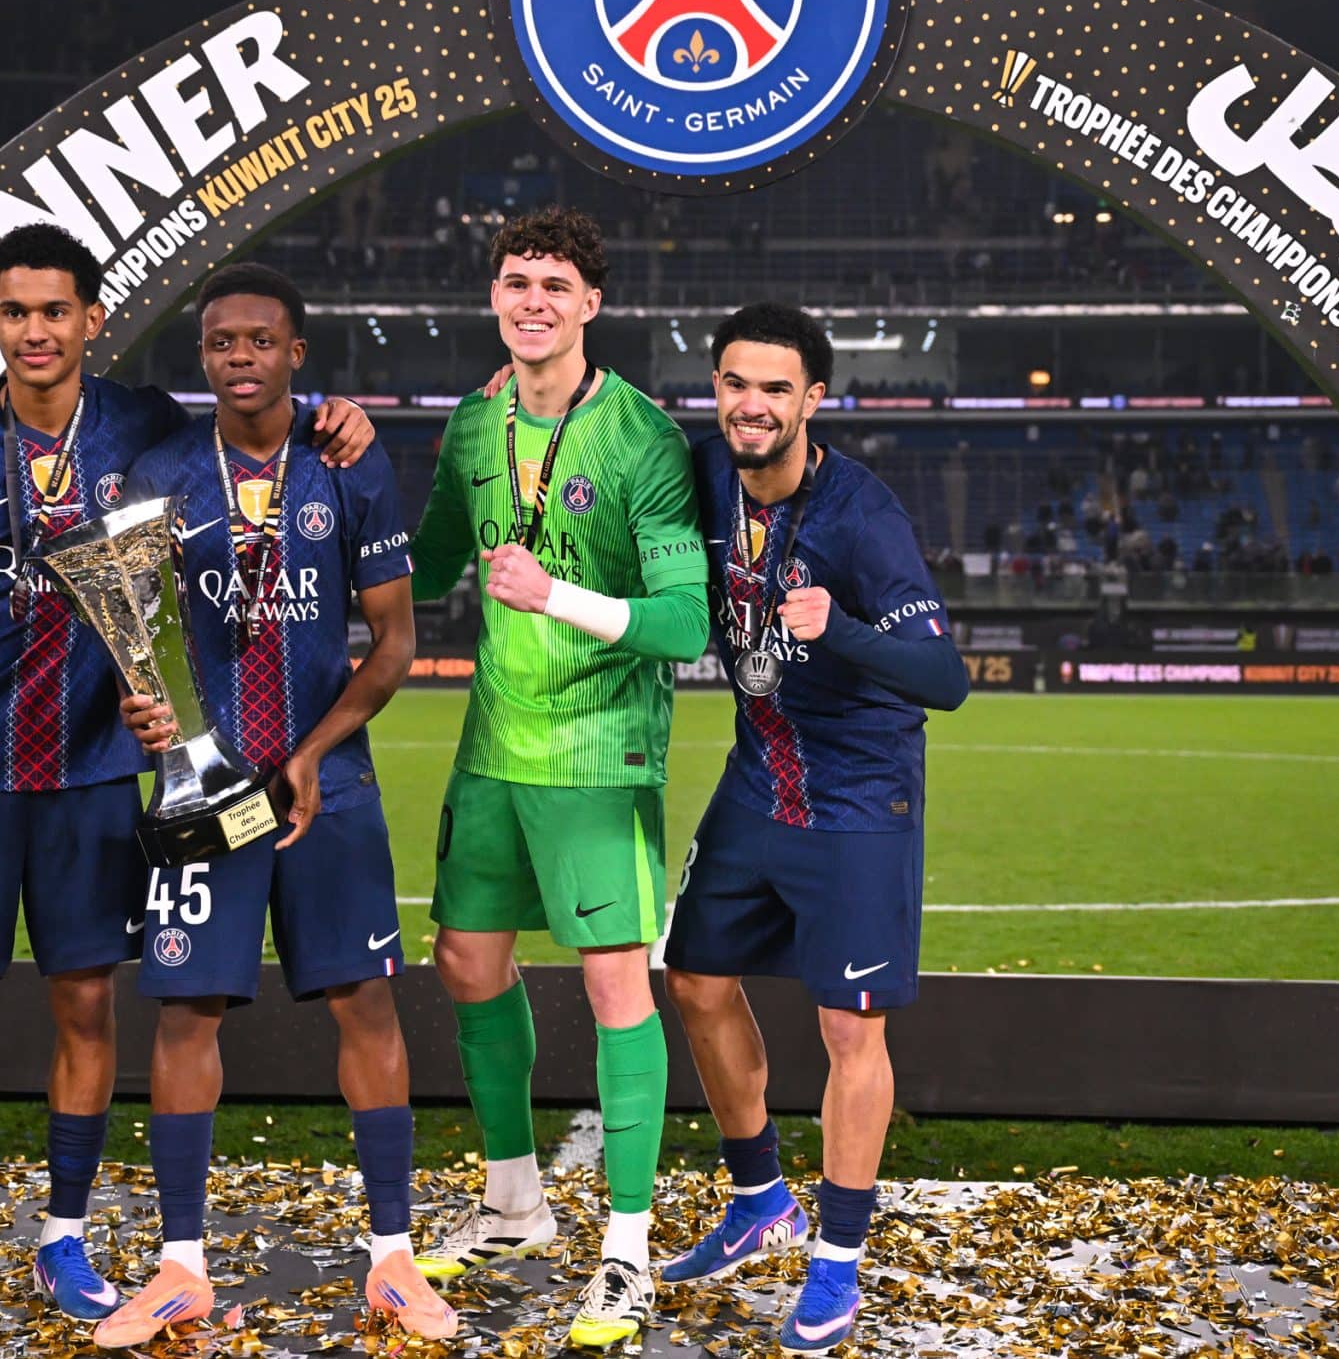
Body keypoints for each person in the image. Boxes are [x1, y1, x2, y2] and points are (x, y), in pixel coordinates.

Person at [0, 224, 373, 1359]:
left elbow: (256, 401)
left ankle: (64, 1235)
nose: (35, 331)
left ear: (92, 319)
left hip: (96, 773)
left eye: (56, 311)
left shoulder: (142, 427)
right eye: (14, 311)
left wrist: (336, 410)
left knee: (86, 1010)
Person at [97, 264, 456, 1347]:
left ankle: (393, 1260)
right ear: (201, 357)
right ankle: (179, 1268)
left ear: (297, 352)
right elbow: (130, 633)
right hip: (206, 790)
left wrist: (314, 752)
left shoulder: (347, 463)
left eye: (260, 340)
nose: (239, 358)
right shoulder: (163, 474)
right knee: (185, 1014)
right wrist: (143, 707)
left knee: (365, 1008)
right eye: (219, 344)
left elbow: (394, 642)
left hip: (327, 789)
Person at [407, 206, 709, 1350]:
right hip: (494, 742)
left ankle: (625, 1255)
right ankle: (514, 1202)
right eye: (514, 280)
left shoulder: (640, 438)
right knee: (468, 962)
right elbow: (430, 557)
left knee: (614, 989)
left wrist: (557, 596)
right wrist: (326, 489)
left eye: (554, 285)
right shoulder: (474, 423)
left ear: (592, 304)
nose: (531, 300)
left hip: (596, 752)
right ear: (496, 296)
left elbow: (684, 622)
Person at [659, 302, 968, 1354]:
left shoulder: (860, 516)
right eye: (736, 384)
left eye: (776, 388)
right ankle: (759, 1201)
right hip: (757, 778)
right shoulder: (704, 471)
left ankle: (836, 1262)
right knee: (694, 979)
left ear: (814, 401)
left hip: (854, 795)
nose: (752, 405)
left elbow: (946, 679)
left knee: (850, 1029)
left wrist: (839, 626)